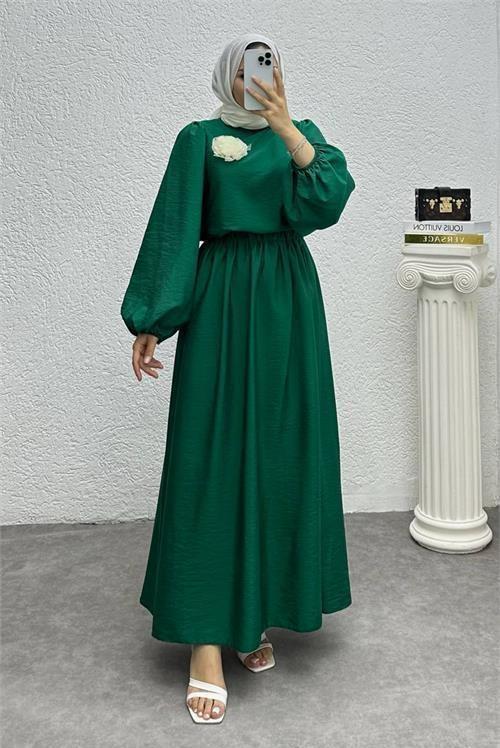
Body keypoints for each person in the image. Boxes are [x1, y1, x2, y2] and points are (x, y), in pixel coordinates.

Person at [120, 32, 356, 724]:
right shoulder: (197, 139)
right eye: (251, 66)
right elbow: (174, 229)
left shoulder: (301, 134)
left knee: (279, 457)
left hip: (288, 304)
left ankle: (252, 617)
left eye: (270, 65)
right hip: (223, 300)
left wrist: (285, 127)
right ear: (229, 74)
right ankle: (205, 642)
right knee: (213, 458)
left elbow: (329, 199)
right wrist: (152, 319)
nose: (261, 76)